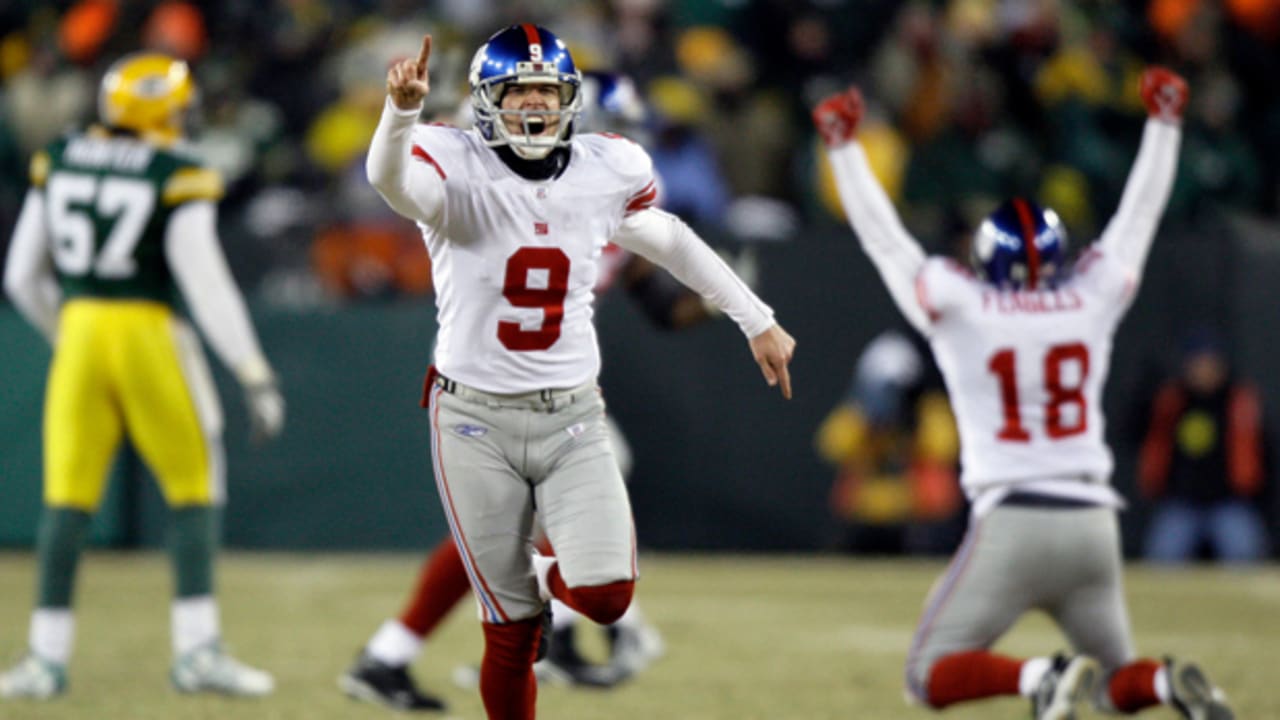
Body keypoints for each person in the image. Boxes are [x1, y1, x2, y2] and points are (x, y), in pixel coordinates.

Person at [363, 26, 794, 720]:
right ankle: (510, 598)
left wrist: (756, 318)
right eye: (519, 90)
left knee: (606, 595)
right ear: (486, 101)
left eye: (546, 89)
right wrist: (400, 113)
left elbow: (672, 239)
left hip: (571, 415)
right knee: (505, 637)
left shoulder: (604, 168)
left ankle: (520, 582)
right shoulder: (451, 157)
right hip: (473, 419)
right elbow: (389, 181)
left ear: (570, 99)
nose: (534, 103)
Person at [813, 67, 1235, 719]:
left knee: (927, 676)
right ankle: (1162, 684)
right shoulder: (1089, 296)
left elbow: (884, 240)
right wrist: (1164, 123)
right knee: (1116, 682)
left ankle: (1040, 677)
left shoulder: (964, 305)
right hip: (1093, 520)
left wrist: (843, 148)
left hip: (1013, 517)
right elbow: (1140, 214)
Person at [0, 52, 284, 699]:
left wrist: (69, 332)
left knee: (67, 497)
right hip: (147, 333)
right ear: (160, 109)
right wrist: (253, 370)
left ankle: (45, 658)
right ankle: (197, 650)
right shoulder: (175, 170)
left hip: (79, 330)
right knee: (193, 485)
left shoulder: (64, 154)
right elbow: (206, 284)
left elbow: (21, 276)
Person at [815, 326, 963, 555]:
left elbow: (945, 451)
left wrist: (912, 429)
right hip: (866, 514)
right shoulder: (859, 414)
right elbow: (831, 445)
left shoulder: (929, 410)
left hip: (917, 514)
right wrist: (867, 422)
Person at [1139, 328, 1271, 564]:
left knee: (1246, 555)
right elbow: (1133, 433)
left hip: (1229, 502)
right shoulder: (1170, 400)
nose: (1204, 370)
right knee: (1161, 559)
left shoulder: (1239, 401)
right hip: (1181, 502)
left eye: (1211, 363)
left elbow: (1264, 453)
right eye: (1198, 363)